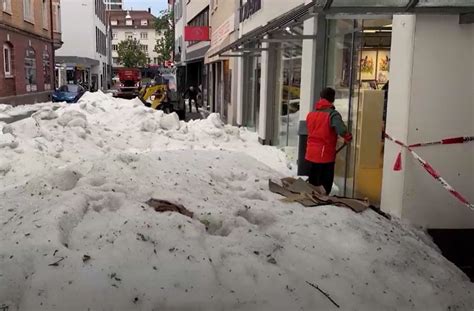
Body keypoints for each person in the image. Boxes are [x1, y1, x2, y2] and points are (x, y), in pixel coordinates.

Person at [305, 87, 352, 195]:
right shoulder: (332, 114)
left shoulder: (311, 114)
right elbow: (341, 129)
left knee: (313, 178)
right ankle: (322, 198)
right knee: (325, 181)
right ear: (332, 99)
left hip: (311, 152)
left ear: (321, 98)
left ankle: (312, 196)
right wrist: (347, 136)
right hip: (324, 153)